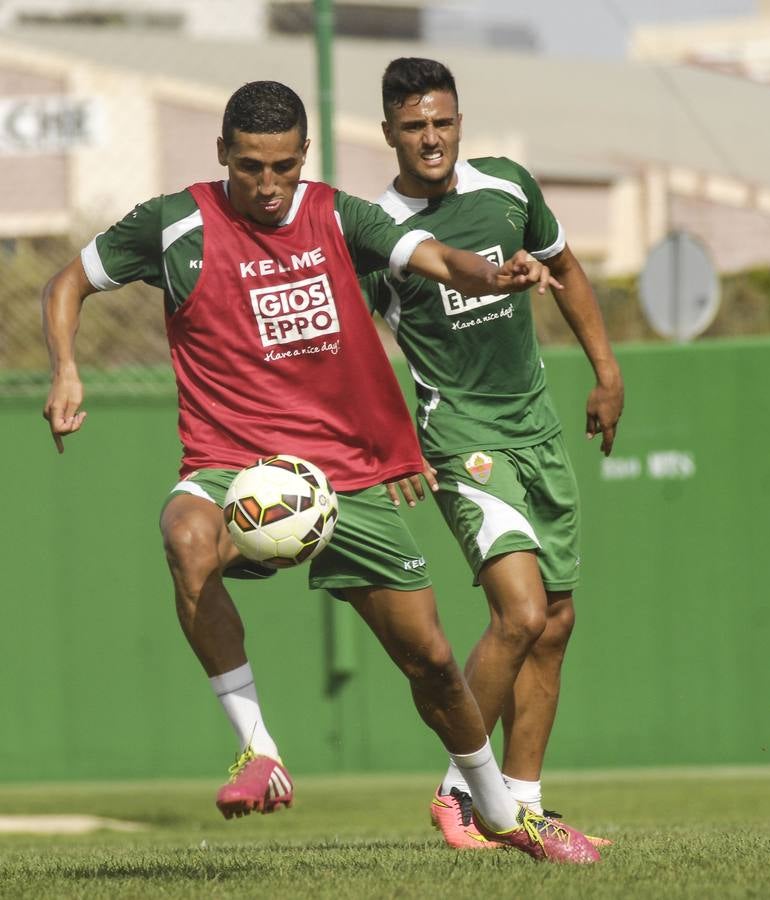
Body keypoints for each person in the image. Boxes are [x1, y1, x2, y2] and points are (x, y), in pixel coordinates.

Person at [42, 80, 599, 863]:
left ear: (304, 155)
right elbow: (66, 281)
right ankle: (257, 749)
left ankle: (500, 811)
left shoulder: (339, 214)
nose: (266, 187)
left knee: (433, 664)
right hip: (232, 463)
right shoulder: (175, 224)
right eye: (248, 169)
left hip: (341, 478)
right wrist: (66, 369)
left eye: (281, 167)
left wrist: (489, 274)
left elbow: (432, 255)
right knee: (187, 537)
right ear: (222, 157)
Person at [360, 58, 624, 850]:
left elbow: (569, 270)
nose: (430, 138)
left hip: (538, 429)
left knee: (557, 621)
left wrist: (608, 375)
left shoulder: (508, 186)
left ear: (460, 121)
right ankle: (457, 791)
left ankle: (526, 801)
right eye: (413, 126)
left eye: (441, 121)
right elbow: (359, 348)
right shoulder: (377, 230)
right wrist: (387, 443)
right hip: (459, 439)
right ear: (389, 134)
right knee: (521, 613)